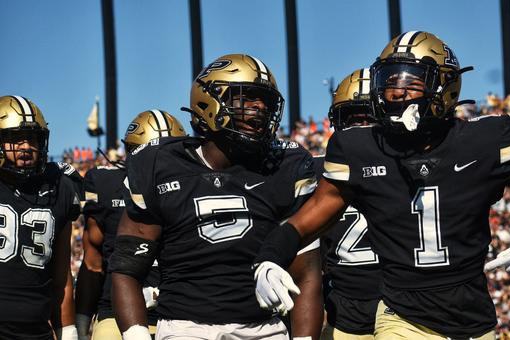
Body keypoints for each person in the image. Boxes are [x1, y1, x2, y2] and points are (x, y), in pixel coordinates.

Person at [252, 31, 510, 339]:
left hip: (475, 321)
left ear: (444, 86)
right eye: (389, 82)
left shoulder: (483, 141)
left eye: (409, 82)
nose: (396, 93)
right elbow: (305, 222)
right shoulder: (359, 148)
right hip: (402, 319)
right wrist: (269, 259)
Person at [110, 54, 323, 340]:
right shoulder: (160, 164)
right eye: (246, 98)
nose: (259, 108)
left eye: (265, 102)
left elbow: (306, 273)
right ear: (208, 100)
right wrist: (136, 335)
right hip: (185, 327)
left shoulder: (285, 166)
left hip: (264, 328)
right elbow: (127, 268)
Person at [75, 110, 187, 339]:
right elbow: (94, 263)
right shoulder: (105, 183)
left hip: (181, 314)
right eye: (153, 154)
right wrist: (81, 322)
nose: (161, 162)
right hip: (115, 314)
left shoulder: (193, 186)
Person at [0, 95, 81, 340]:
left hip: (36, 328)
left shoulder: (60, 189)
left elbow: (61, 276)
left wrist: (68, 332)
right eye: (16, 139)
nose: (26, 147)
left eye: (32, 139)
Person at [318, 68, 381, 340]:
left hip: (406, 306)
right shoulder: (317, 171)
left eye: (368, 118)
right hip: (343, 310)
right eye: (351, 119)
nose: (360, 128)